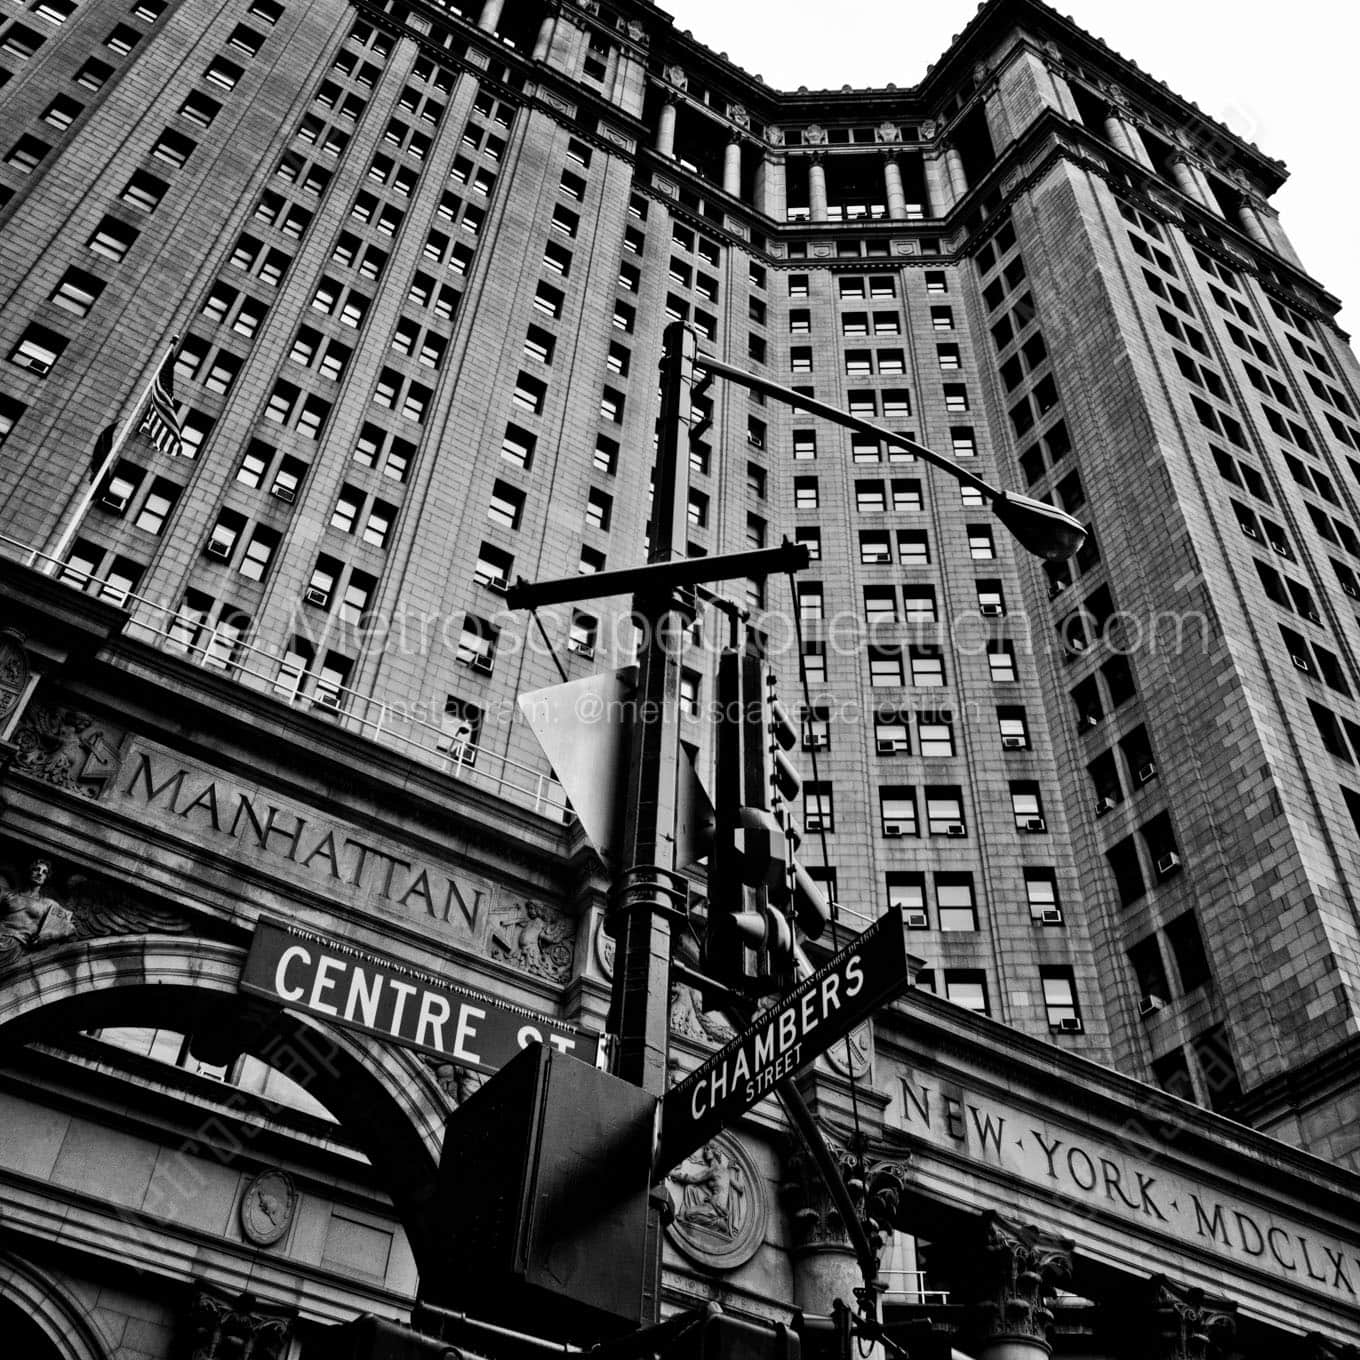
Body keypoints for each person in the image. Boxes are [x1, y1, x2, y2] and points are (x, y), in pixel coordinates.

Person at [0, 858, 71, 969]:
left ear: (46, 878)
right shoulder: (9, 895)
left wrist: (47, 936)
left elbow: (69, 927)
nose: (39, 873)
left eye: (44, 872)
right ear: (29, 872)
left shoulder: (48, 904)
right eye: (36, 869)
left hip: (16, 944)